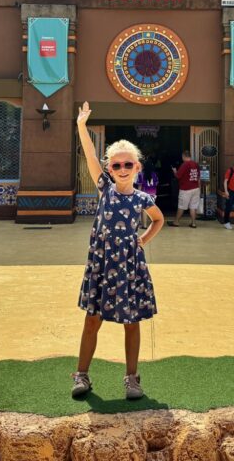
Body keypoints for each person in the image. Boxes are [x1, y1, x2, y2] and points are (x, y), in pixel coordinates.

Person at [73, 101, 164, 401]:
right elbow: (89, 156)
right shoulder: (104, 188)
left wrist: (142, 240)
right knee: (91, 320)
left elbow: (158, 219)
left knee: (131, 321)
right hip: (101, 264)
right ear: (109, 169)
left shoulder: (141, 198)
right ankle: (82, 375)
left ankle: (131, 378)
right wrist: (82, 126)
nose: (122, 169)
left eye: (128, 164)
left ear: (137, 167)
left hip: (128, 265)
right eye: (116, 165)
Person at [169, 150, 202, 228]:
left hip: (186, 189)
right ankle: (193, 223)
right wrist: (199, 187)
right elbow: (198, 177)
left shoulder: (185, 165)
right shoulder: (195, 164)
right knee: (193, 207)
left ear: (183, 156)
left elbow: (178, 176)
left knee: (181, 206)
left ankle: (176, 222)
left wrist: (174, 171)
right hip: (196, 188)